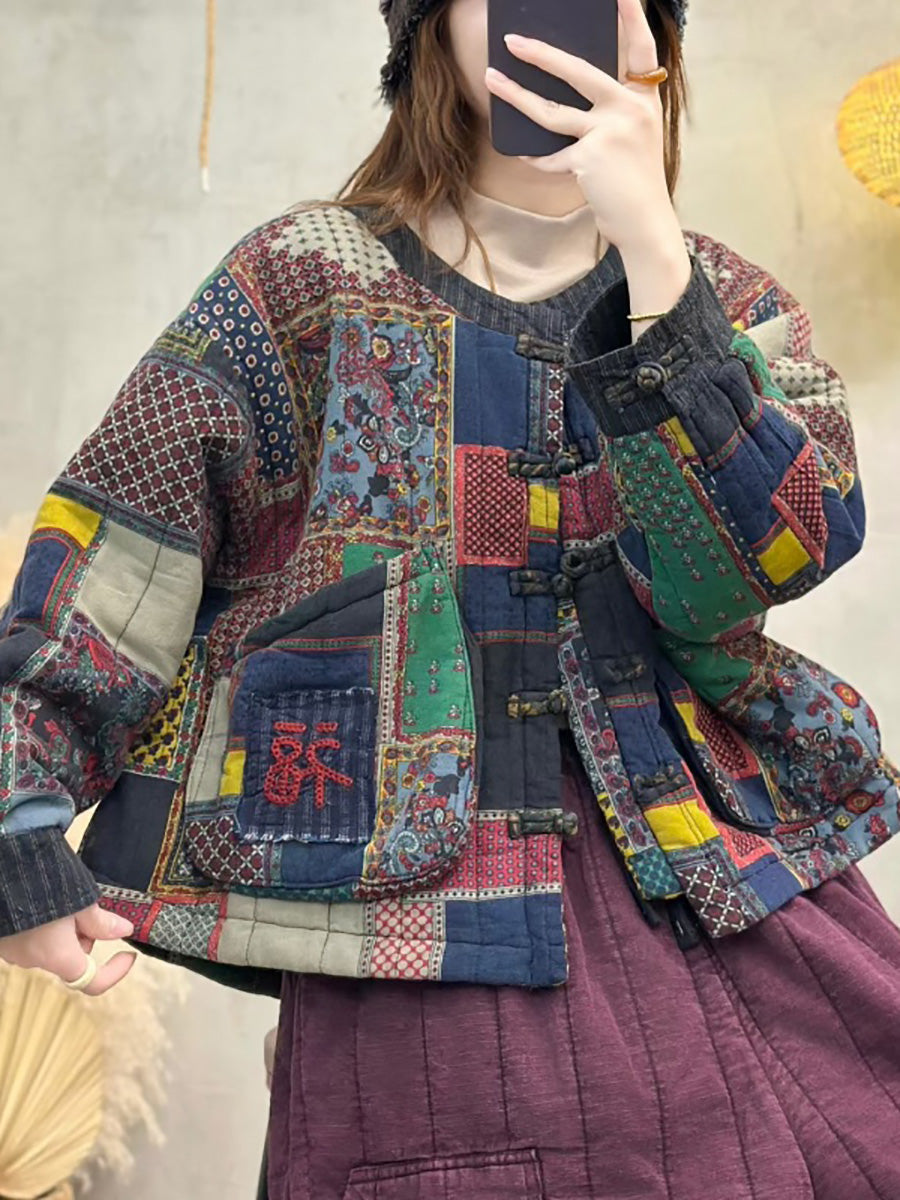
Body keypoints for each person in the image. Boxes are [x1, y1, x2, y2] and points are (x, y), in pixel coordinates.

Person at [2, 0, 900, 1197]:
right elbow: (119, 549)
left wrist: (656, 264)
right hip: (421, 939)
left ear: (657, 39)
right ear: (429, 24)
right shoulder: (303, 282)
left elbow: (768, 556)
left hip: (738, 899)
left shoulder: (720, 296)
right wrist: (18, 828)